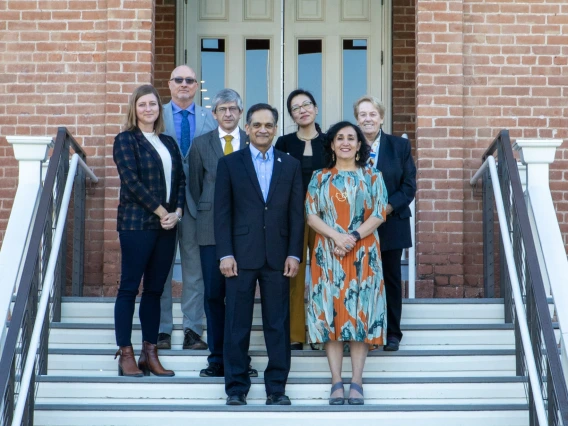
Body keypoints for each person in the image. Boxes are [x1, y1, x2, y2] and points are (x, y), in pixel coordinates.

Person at [214, 103, 304, 406]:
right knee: (236, 324)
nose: (262, 130)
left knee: (277, 325)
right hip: (239, 256)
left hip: (279, 257)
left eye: (268, 125)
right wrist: (225, 253)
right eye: (257, 125)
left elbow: (296, 214)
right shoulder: (229, 163)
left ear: (276, 129)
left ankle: (276, 388)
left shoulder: (289, 164)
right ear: (247, 128)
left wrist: (294, 254)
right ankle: (236, 388)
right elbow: (221, 214)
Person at [305, 121, 388, 405]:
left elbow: (378, 214)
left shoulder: (373, 176)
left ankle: (357, 381)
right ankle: (336, 381)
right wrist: (336, 237)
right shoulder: (319, 177)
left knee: (359, 313)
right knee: (332, 314)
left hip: (363, 254)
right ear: (331, 144)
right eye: (339, 138)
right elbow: (311, 214)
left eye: (351, 138)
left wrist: (351, 237)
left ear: (359, 145)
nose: (345, 142)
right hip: (327, 254)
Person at [113, 84, 186, 377]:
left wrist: (177, 213)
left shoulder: (168, 142)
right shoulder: (125, 140)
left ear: (159, 109)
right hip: (136, 224)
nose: (148, 109)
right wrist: (162, 212)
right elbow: (131, 183)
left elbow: (180, 181)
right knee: (130, 288)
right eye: (142, 105)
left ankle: (149, 353)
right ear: (135, 108)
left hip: (168, 226)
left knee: (155, 291)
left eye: (153, 105)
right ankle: (125, 353)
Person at [188, 89, 258, 378]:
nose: (228, 114)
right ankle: (217, 357)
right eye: (222, 109)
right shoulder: (201, 144)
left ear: (241, 114)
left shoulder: (253, 142)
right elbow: (194, 185)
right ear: (214, 114)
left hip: (247, 232)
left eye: (233, 109)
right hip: (210, 230)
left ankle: (239, 357)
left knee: (240, 297)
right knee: (214, 295)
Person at [158, 65, 217, 350]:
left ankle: (193, 330)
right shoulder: (157, 114)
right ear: (170, 84)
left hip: (196, 205)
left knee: (195, 271)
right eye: (178, 80)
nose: (184, 84)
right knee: (162, 269)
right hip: (164, 205)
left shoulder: (210, 118)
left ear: (197, 86)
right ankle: (162, 331)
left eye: (190, 80)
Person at [354, 95, 416, 352]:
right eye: (362, 115)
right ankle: (364, 330)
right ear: (357, 119)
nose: (367, 119)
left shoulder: (398, 147)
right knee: (359, 278)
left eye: (372, 114)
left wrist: (386, 209)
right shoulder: (349, 145)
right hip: (356, 226)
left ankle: (392, 333)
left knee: (389, 277)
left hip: (391, 222)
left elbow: (409, 186)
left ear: (381, 117)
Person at [275, 89, 326, 350]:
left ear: (316, 109)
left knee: (323, 277)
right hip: (292, 217)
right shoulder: (283, 143)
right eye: (296, 108)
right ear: (292, 115)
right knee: (293, 276)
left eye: (307, 104)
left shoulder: (330, 141)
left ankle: (320, 332)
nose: (302, 110)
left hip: (326, 220)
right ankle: (295, 334)